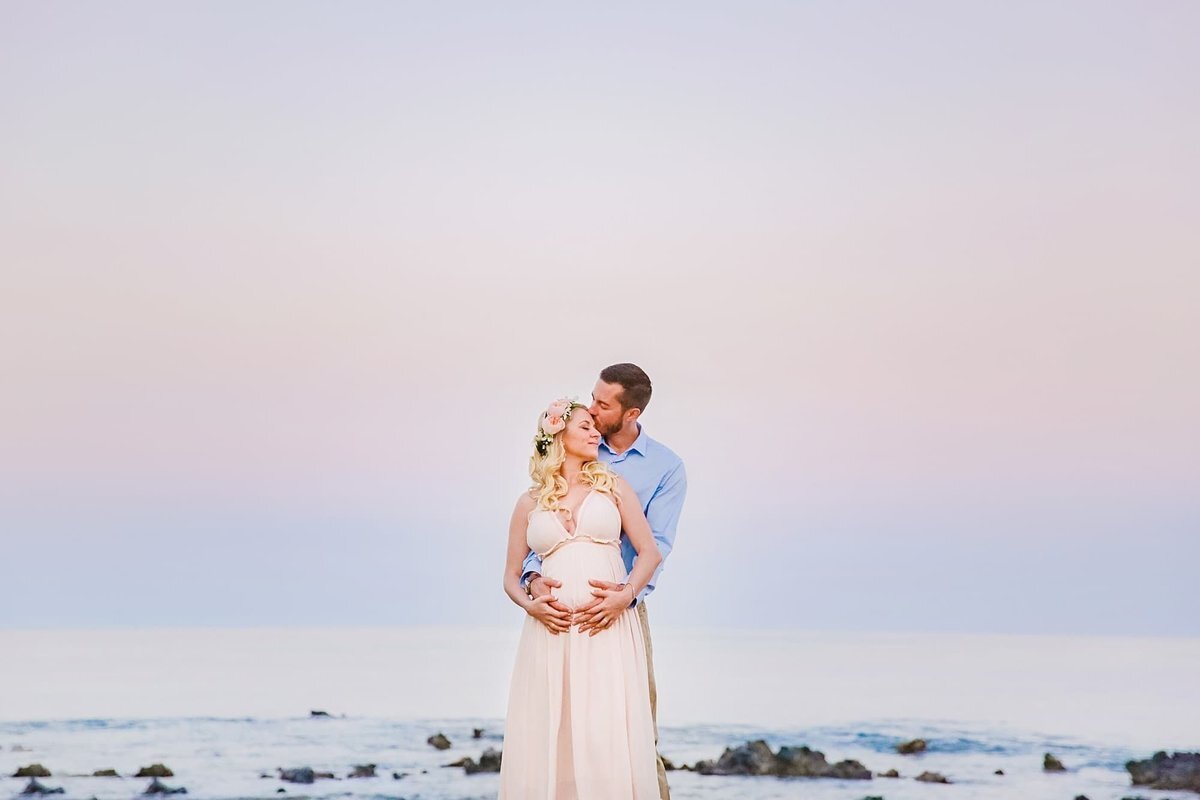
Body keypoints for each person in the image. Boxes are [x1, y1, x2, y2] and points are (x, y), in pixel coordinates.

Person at [521, 363, 687, 800]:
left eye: (602, 404)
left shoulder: (663, 468)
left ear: (631, 413)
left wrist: (626, 598)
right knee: (557, 725)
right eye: (592, 399)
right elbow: (542, 531)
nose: (592, 411)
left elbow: (657, 546)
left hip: (619, 608)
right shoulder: (574, 451)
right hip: (559, 613)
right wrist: (532, 579)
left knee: (632, 729)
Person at [500, 396, 662, 798]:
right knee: (551, 724)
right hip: (549, 630)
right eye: (585, 427)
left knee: (604, 724)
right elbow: (509, 575)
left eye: (595, 425)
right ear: (558, 436)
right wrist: (529, 603)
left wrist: (625, 595)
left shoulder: (614, 487)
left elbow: (650, 552)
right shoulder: (529, 502)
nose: (595, 433)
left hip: (604, 624)